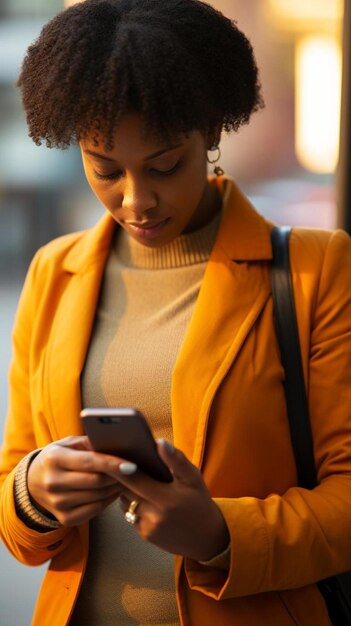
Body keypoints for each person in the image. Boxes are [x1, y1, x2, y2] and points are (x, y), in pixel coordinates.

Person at [1, 0, 351, 624]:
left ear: (212, 130)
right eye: (105, 170)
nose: (136, 200)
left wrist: (220, 533)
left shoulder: (314, 271)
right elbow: (13, 490)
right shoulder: (54, 272)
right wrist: (32, 495)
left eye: (164, 165)